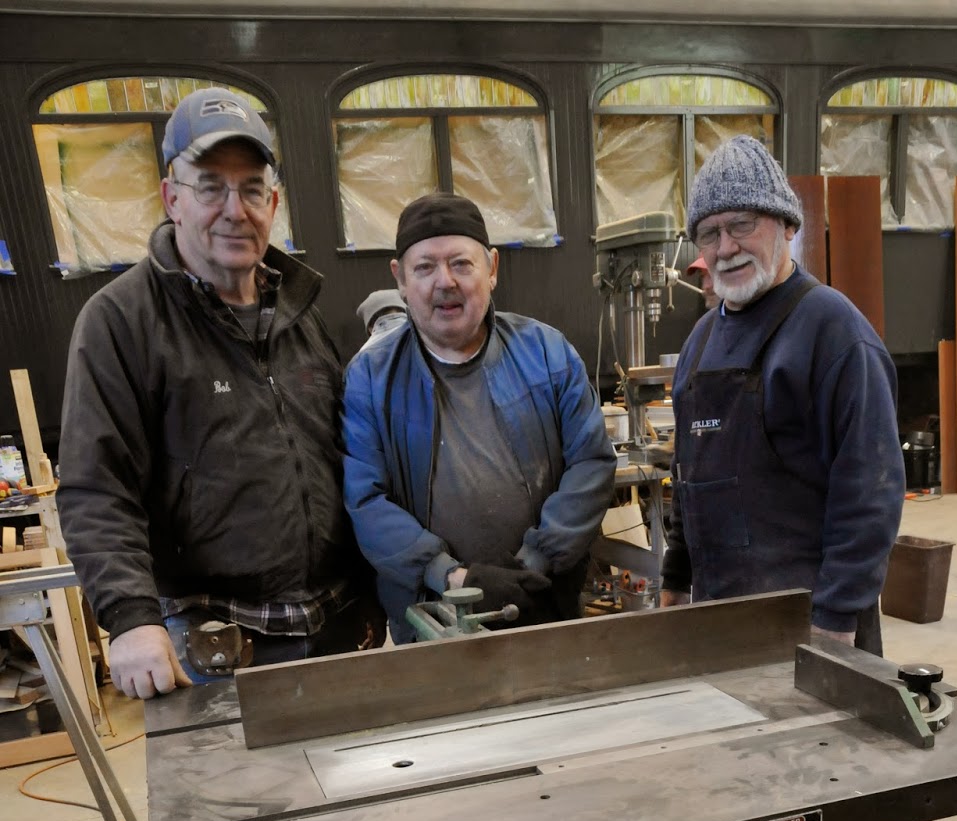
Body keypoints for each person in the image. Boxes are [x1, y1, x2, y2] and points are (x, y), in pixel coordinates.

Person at [57, 87, 384, 821]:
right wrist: (128, 615)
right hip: (214, 634)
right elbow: (94, 484)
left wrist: (379, 588)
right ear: (171, 196)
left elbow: (346, 461)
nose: (232, 210)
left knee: (336, 816)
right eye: (210, 186)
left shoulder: (304, 314)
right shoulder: (121, 322)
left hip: (329, 616)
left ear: (274, 202)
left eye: (252, 188)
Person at [662, 136, 905, 652]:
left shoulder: (834, 332)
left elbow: (869, 494)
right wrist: (675, 578)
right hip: (719, 617)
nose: (725, 248)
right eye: (709, 233)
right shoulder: (699, 343)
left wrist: (835, 620)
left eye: (742, 225)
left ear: (788, 226)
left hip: (813, 623)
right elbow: (687, 478)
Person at [342, 193, 616, 642]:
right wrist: (453, 577)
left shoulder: (547, 354)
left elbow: (591, 463)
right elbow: (365, 500)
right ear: (401, 280)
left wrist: (533, 564)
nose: (444, 282)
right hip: (430, 619)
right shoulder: (370, 378)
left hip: (543, 601)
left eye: (461, 264)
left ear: (492, 268)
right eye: (424, 268)